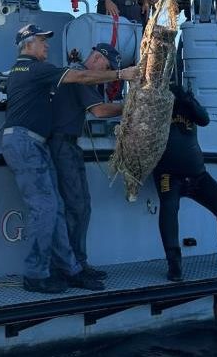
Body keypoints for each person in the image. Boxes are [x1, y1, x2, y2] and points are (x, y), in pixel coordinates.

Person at [4, 24, 138, 294]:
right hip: (32, 143)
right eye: (43, 41)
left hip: (37, 143)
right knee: (51, 208)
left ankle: (70, 268)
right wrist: (124, 78)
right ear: (28, 43)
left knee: (57, 209)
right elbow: (95, 104)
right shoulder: (37, 69)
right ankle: (39, 273)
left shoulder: (29, 70)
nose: (47, 46)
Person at [154, 83, 217, 282]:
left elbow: (205, 119)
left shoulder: (187, 105)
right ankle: (174, 263)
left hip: (197, 174)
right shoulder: (153, 106)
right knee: (169, 210)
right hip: (168, 175)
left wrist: (187, 99)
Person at [49, 44, 124, 279]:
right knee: (76, 206)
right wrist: (132, 107)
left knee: (81, 206)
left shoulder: (77, 74)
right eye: (107, 67)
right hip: (63, 145)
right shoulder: (79, 77)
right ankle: (71, 266)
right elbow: (100, 111)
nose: (106, 74)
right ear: (97, 59)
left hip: (68, 145)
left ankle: (76, 263)